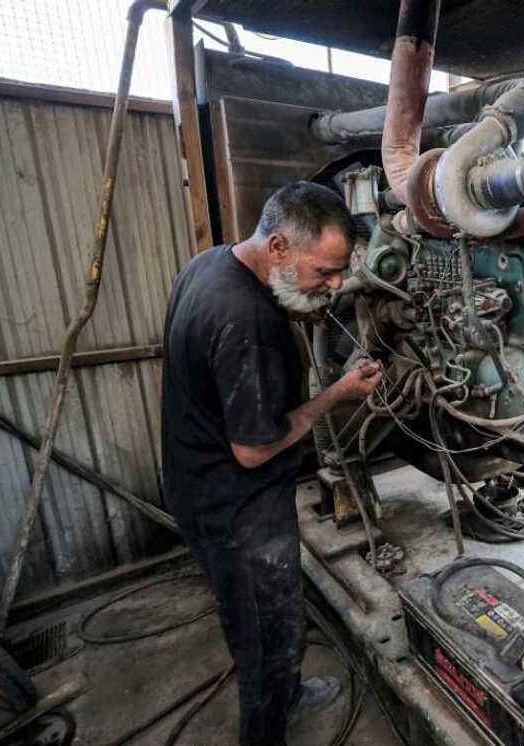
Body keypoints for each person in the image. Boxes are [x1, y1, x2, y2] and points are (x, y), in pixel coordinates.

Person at [161, 181, 382, 745]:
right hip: (239, 508)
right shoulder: (247, 322)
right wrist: (339, 393)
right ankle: (265, 731)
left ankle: (287, 696)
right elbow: (254, 447)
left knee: (255, 623)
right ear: (280, 247)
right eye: (326, 272)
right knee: (267, 632)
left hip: (196, 484)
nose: (334, 287)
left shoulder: (213, 263)